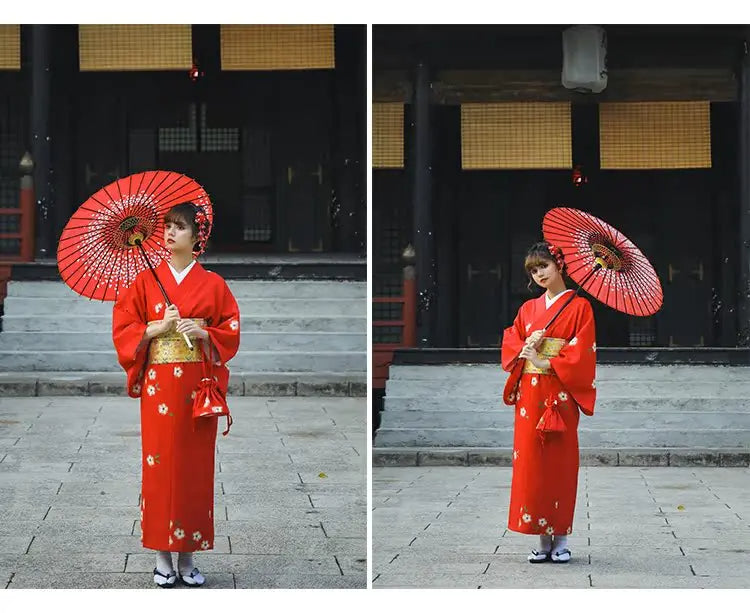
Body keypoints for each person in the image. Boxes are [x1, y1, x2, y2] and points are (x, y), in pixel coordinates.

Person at [112, 202, 240, 587]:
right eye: (166, 226)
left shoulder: (214, 284)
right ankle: (161, 555)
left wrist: (203, 333)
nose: (169, 233)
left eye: (179, 227)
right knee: (159, 465)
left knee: (194, 469)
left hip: (196, 387)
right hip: (159, 386)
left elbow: (229, 329)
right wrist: (155, 328)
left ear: (197, 237)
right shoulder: (144, 282)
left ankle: (188, 556)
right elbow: (123, 328)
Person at [500, 241, 597, 564]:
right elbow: (510, 338)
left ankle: (562, 538)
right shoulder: (528, 310)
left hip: (560, 394)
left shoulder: (580, 307)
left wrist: (548, 363)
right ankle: (542, 539)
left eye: (544, 266)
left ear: (560, 266)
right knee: (532, 462)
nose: (539, 273)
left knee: (560, 461)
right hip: (530, 394)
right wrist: (524, 345)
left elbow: (582, 351)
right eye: (533, 269)